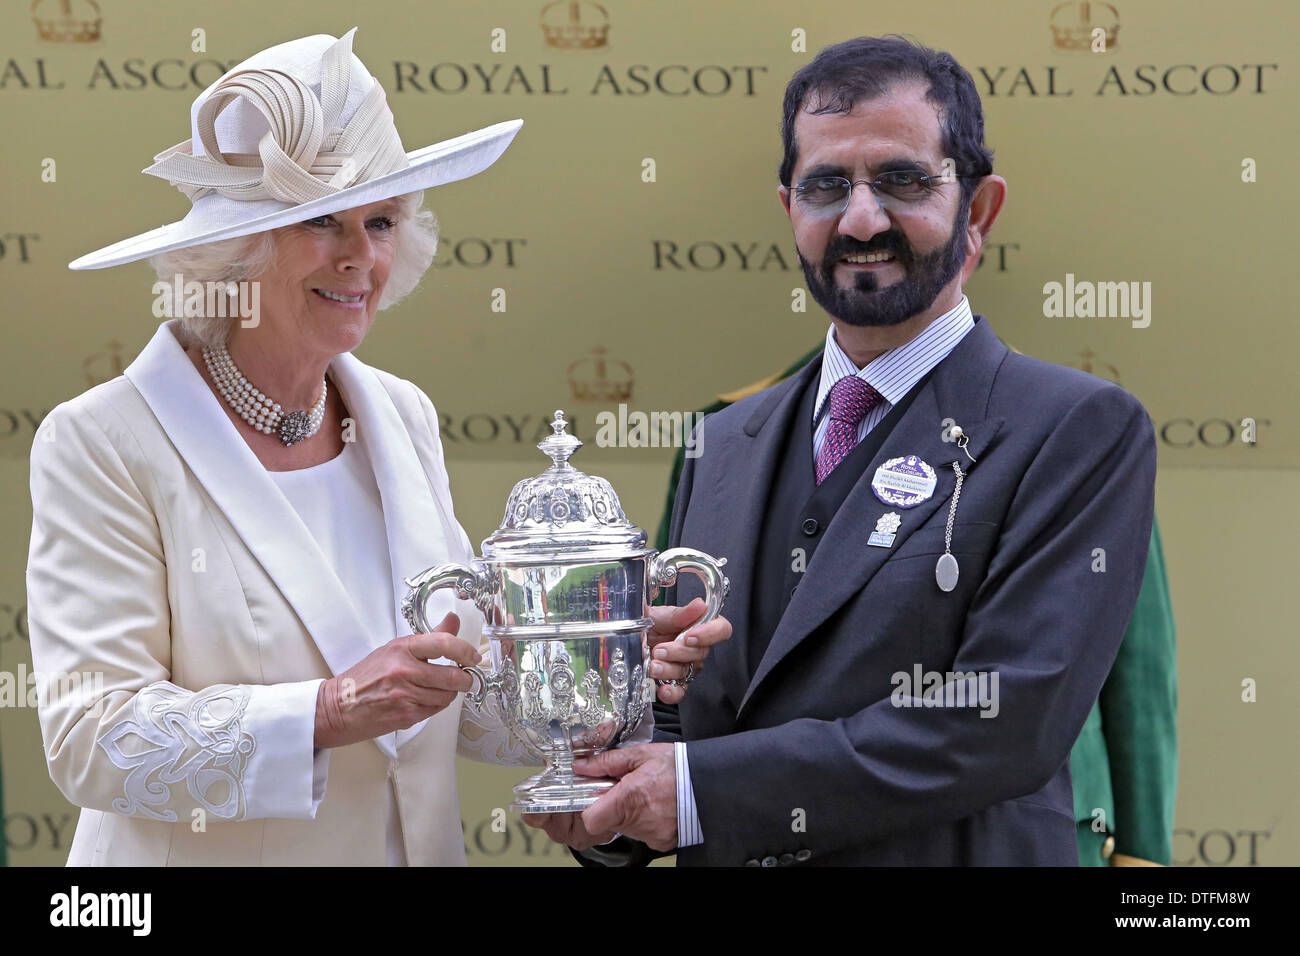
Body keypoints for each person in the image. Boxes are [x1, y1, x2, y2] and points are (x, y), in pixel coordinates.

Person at [26, 27, 727, 867]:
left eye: (383, 220)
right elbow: (90, 738)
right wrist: (328, 709)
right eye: (322, 222)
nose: (361, 257)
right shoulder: (103, 440)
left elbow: (463, 701)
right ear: (234, 254)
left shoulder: (400, 414)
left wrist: (587, 659)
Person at [530, 34, 1157, 865]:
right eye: (828, 185)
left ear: (976, 211)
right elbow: (683, 712)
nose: (862, 219)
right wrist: (607, 793)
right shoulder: (720, 442)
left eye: (901, 180)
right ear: (789, 208)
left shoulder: (1077, 429)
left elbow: (1005, 721)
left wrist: (690, 795)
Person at [651, 350, 1177, 867]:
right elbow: (677, 686)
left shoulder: (1073, 423)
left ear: (970, 256)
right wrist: (603, 782)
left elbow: (1122, 676)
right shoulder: (719, 435)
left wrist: (1142, 848)